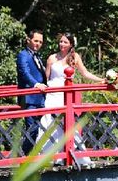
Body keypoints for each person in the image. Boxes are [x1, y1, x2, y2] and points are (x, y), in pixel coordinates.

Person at [37, 32, 103, 165]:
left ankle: (71, 155)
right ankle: (48, 157)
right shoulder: (52, 58)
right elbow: (46, 78)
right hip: (52, 93)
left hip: (65, 94)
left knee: (66, 123)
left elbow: (85, 73)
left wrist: (101, 80)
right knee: (49, 122)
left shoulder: (74, 57)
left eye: (65, 42)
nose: (62, 44)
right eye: (61, 41)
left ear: (71, 44)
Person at [16, 29, 48, 155]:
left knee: (39, 128)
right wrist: (36, 84)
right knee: (32, 128)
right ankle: (24, 155)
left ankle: (29, 155)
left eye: (40, 42)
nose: (38, 44)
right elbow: (24, 73)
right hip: (29, 98)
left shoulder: (37, 56)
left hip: (40, 98)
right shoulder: (23, 55)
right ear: (28, 40)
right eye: (36, 40)